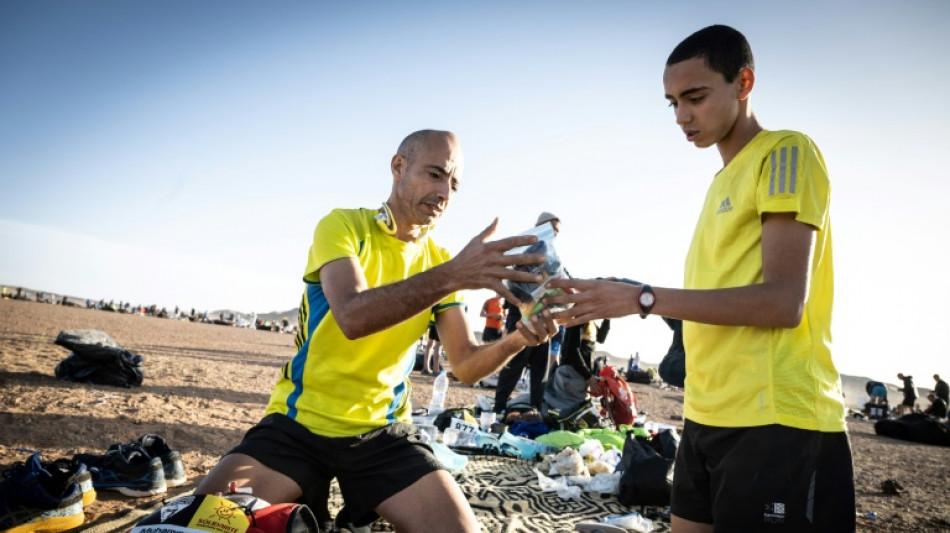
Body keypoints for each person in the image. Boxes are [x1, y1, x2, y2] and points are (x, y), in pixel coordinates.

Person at [546, 25, 854, 532]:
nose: (682, 116)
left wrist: (642, 299)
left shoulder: (784, 152)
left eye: (695, 97)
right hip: (706, 417)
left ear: (743, 83)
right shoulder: (718, 185)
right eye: (672, 103)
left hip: (777, 423)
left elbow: (783, 302)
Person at [193, 129, 558, 533]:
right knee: (201, 524)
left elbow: (467, 366)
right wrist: (453, 274)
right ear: (398, 166)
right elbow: (352, 316)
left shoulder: (437, 260)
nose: (444, 193)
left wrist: (519, 338)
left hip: (383, 435)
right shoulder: (342, 226)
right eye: (434, 174)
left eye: (453, 183)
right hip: (299, 425)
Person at [493, 211, 561, 414]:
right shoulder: (527, 249)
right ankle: (499, 407)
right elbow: (512, 280)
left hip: (542, 317)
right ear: (542, 227)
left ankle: (536, 409)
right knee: (514, 363)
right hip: (521, 315)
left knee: (540, 369)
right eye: (553, 229)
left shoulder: (552, 254)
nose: (555, 234)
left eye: (558, 231)